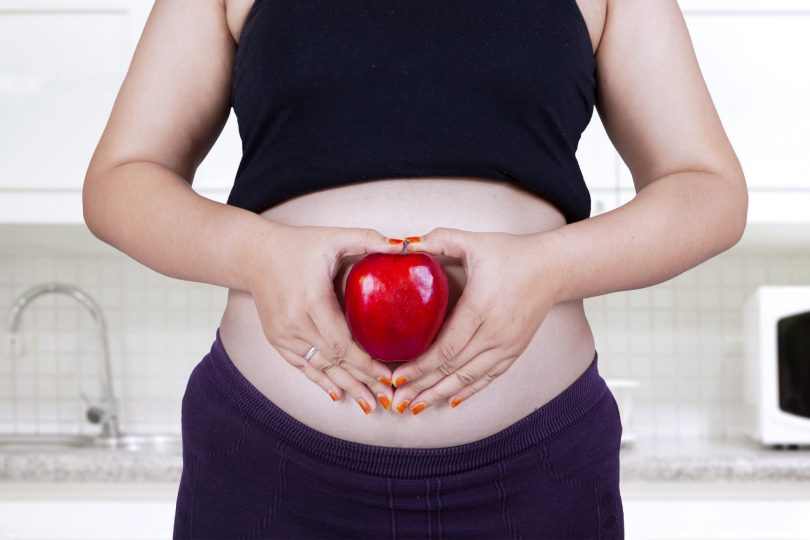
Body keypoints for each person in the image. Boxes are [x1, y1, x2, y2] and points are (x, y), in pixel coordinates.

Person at [82, 0, 748, 538]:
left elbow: (708, 190)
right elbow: (121, 180)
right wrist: (256, 253)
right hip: (269, 468)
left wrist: (545, 267)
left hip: (535, 476)